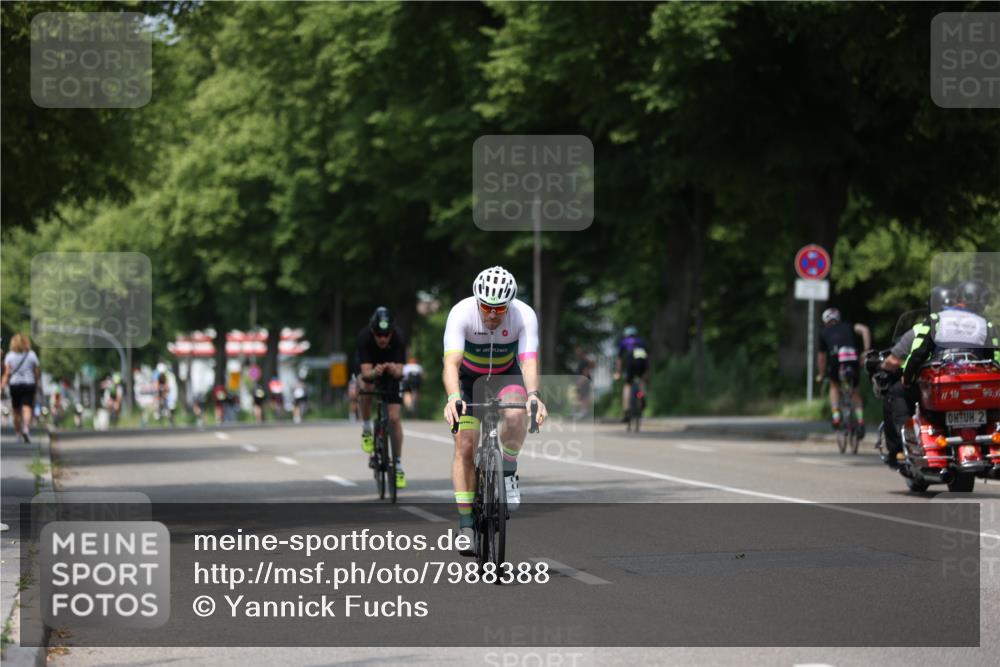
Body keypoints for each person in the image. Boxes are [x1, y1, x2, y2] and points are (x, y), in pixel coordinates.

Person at [442, 266, 549, 551]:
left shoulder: (523, 315)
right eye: (486, 307)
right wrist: (453, 396)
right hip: (468, 379)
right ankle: (466, 524)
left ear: (509, 305)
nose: (491, 314)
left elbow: (527, 360)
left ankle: (509, 471)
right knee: (465, 445)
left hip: (505, 375)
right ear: (478, 301)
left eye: (499, 309)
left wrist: (534, 395)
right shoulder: (461, 313)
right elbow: (451, 363)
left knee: (516, 414)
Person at [871, 281, 1000, 468]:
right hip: (976, 387)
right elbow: (995, 357)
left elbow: (918, 353)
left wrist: (908, 378)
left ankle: (899, 448)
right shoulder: (984, 323)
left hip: (943, 383)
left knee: (897, 392)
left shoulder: (936, 320)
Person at [357, 307, 408, 489]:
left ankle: (399, 465)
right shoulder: (364, 337)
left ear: (392, 332)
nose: (383, 338)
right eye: (379, 334)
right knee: (365, 386)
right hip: (370, 373)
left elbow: (401, 370)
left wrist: (394, 369)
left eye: (386, 335)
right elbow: (365, 372)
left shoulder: (400, 337)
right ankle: (366, 429)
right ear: (372, 331)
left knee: (394, 419)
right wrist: (374, 371)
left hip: (391, 376)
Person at [816, 307, 872, 437]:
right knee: (854, 390)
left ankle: (836, 416)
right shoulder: (849, 326)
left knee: (834, 385)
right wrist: (867, 349)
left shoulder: (824, 332)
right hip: (852, 357)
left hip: (837, 359)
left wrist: (821, 373)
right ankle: (860, 420)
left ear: (825, 321)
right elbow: (865, 330)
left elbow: (822, 357)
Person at [2, 333, 41, 443]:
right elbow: (36, 372)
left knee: (16, 411)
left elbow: (7, 373)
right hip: (29, 384)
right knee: (27, 408)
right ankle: (26, 429)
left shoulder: (9, 355)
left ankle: (18, 433)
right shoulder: (32, 355)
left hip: (15, 385)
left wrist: (2, 384)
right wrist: (37, 383)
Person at [614, 326, 648, 420]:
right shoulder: (641, 341)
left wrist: (618, 372)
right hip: (642, 362)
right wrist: (646, 372)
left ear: (626, 335)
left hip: (631, 362)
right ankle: (642, 396)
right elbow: (646, 356)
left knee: (628, 385)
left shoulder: (624, 342)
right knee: (642, 381)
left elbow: (619, 358)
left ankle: (627, 411)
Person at [573, 345, 595, 418]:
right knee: (582, 396)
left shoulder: (584, 360)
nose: (576, 353)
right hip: (584, 380)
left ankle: (584, 412)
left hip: (584, 381)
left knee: (584, 397)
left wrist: (580, 382)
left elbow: (586, 372)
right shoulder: (583, 360)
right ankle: (583, 411)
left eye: (578, 351)